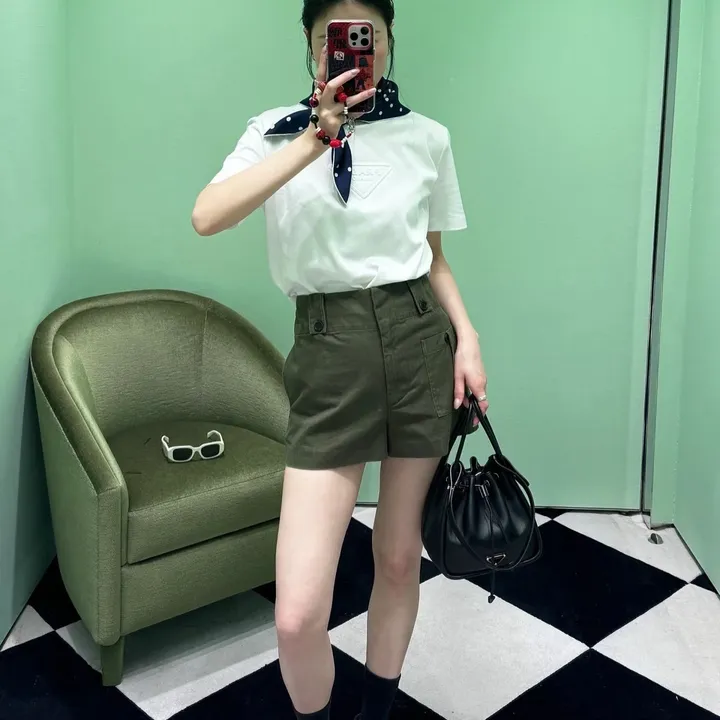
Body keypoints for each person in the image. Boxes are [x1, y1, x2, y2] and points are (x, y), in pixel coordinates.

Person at [192, 1, 488, 717]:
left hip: (420, 345)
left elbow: (433, 258)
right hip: (329, 354)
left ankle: (376, 711)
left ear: (387, 41)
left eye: (369, 37)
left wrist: (469, 339)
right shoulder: (272, 132)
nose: (357, 51)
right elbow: (208, 216)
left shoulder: (426, 137)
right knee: (297, 614)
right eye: (338, 38)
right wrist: (315, 139)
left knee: (398, 557)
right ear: (312, 43)